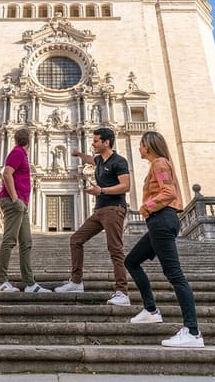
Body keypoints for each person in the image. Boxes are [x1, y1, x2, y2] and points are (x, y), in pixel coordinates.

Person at [124, 131, 204, 348]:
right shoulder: (158, 164)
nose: (139, 148)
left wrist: (145, 207)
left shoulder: (159, 163)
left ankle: (193, 332)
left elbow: (168, 192)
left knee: (175, 275)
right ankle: (150, 310)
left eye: (141, 145)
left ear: (148, 146)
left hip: (162, 219)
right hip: (159, 222)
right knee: (131, 261)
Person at [55, 128, 131, 306]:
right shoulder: (99, 160)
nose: (93, 143)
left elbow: (126, 186)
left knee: (115, 249)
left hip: (114, 209)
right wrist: (78, 154)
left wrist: (101, 190)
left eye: (96, 141)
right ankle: (75, 282)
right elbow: (91, 160)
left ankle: (122, 292)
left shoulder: (119, 161)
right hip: (100, 210)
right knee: (76, 239)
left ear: (106, 142)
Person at [0, 128, 51, 293]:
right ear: (30, 141)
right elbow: (6, 173)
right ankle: (1, 281)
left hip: (21, 205)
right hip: (14, 203)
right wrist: (14, 198)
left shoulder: (21, 154)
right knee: (10, 240)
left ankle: (29, 283)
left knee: (26, 242)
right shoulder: (17, 153)